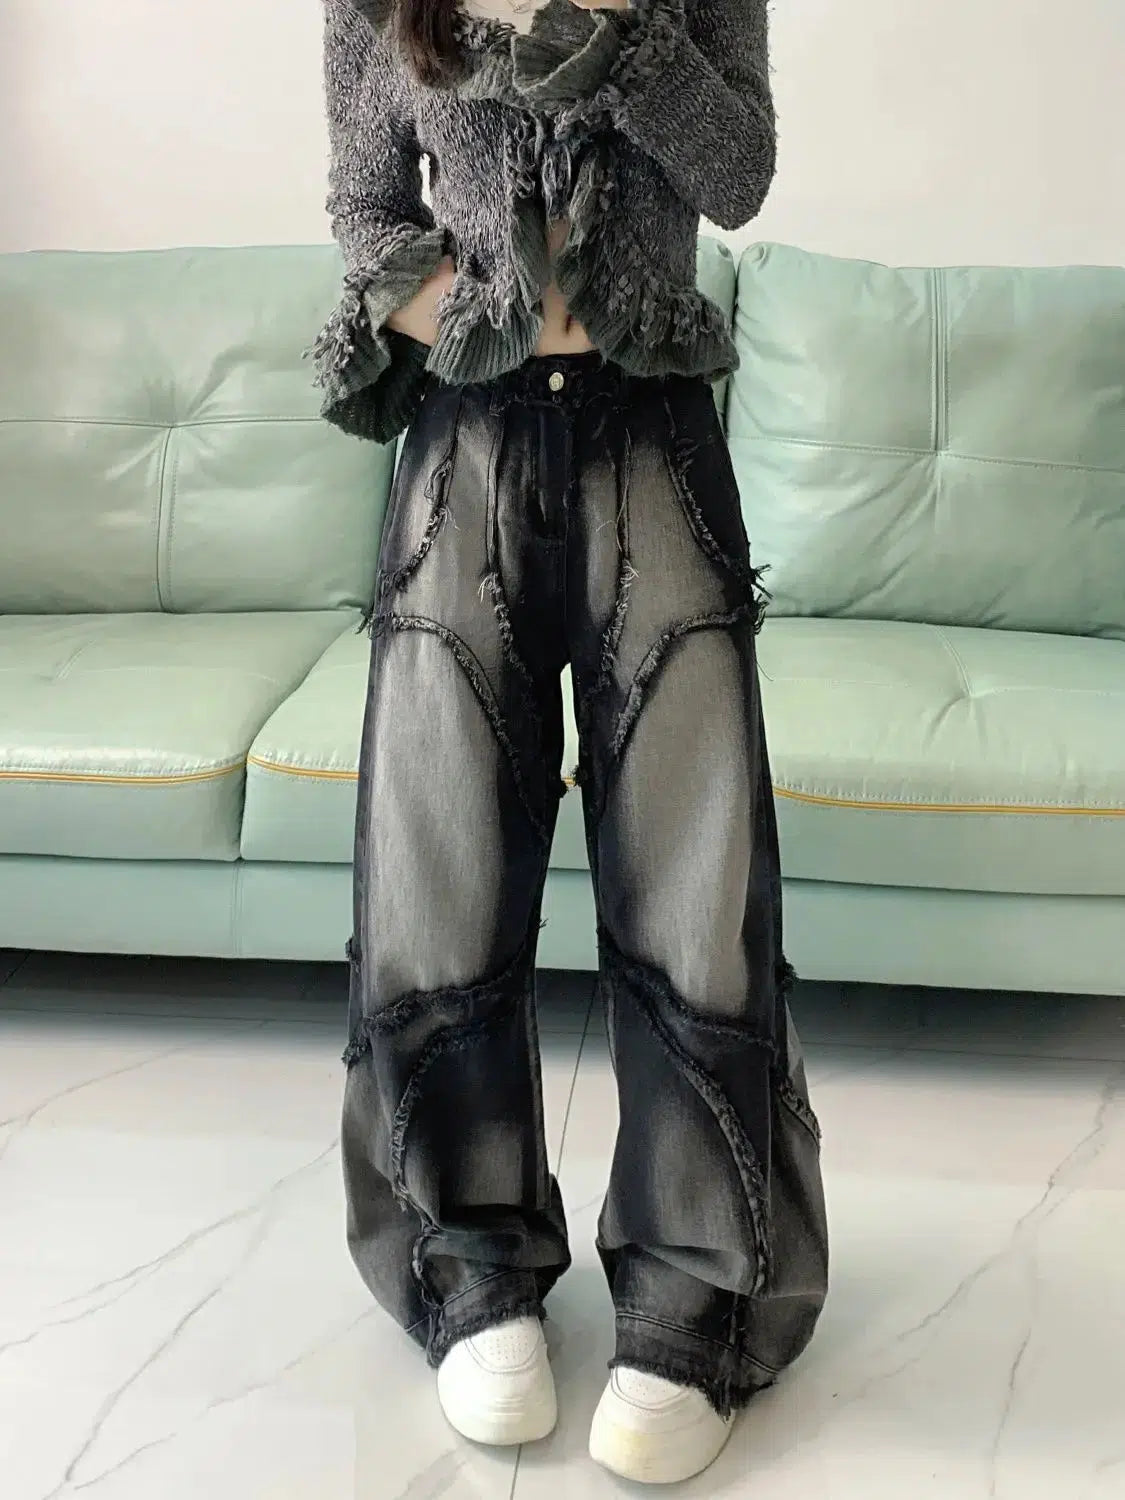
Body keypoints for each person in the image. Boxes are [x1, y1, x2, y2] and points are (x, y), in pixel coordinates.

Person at [313, 0, 828, 1483]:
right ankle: (469, 1268)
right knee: (436, 885)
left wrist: (615, 31)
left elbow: (738, 172)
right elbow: (363, 209)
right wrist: (484, 317)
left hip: (653, 441)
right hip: (463, 457)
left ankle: (689, 1295)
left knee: (693, 898)